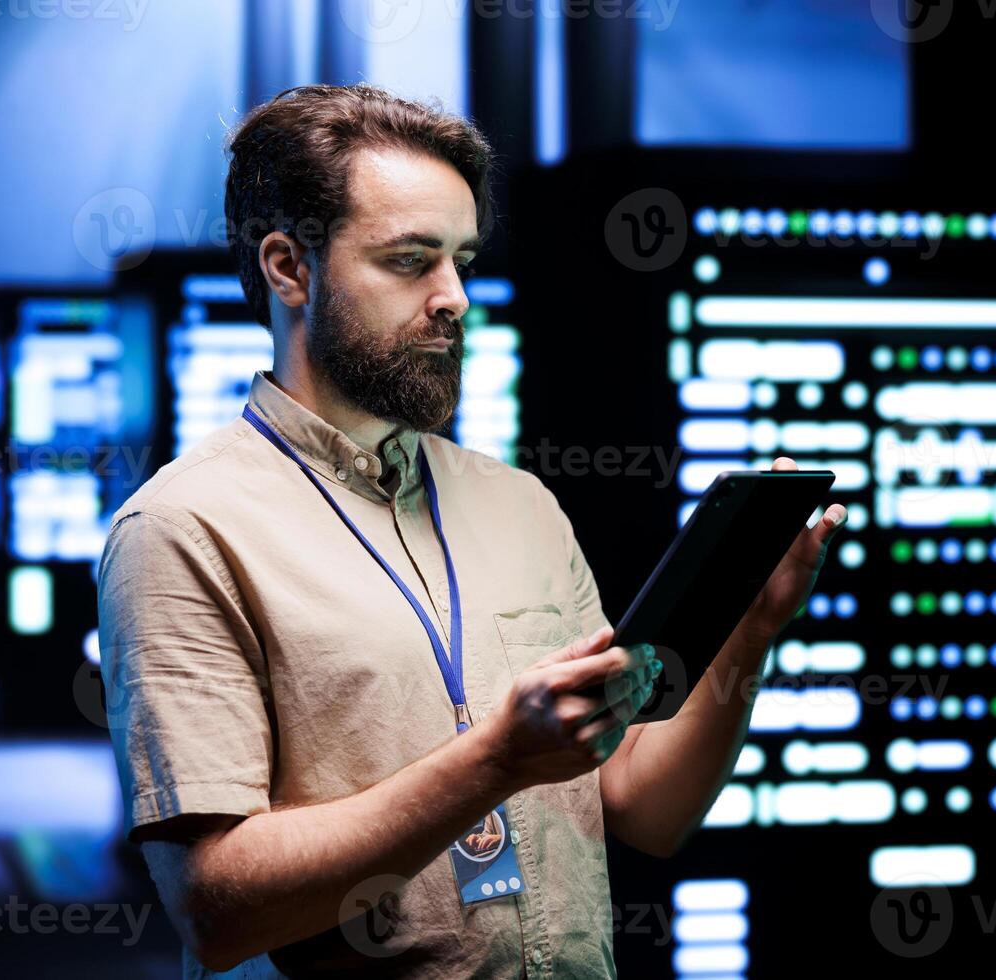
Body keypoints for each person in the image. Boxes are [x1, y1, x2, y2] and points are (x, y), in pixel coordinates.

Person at [97, 83, 846, 978]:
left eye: (462, 260)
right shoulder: (182, 529)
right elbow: (214, 910)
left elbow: (643, 809)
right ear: (289, 268)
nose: (454, 297)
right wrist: (492, 763)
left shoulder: (520, 503)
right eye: (412, 261)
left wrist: (747, 632)